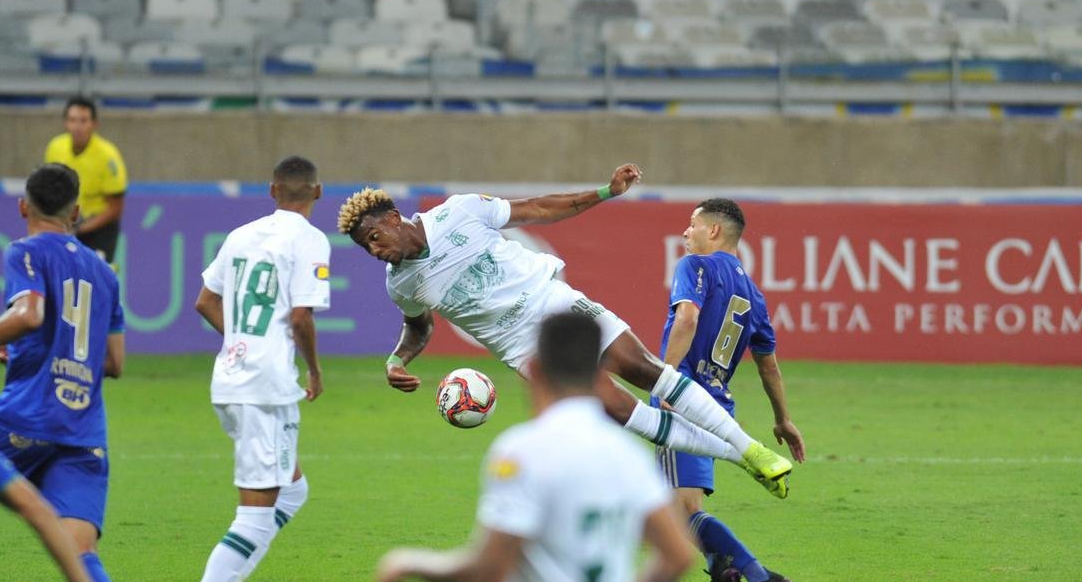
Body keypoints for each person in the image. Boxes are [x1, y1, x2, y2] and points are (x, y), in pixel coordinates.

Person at [336, 164, 794, 499]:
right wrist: (398, 359)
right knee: (622, 411)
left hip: (554, 303)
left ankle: (748, 448)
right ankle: (746, 456)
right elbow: (418, 328)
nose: (374, 251)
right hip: (527, 349)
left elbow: (538, 208)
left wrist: (604, 191)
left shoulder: (459, 213)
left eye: (374, 237)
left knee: (645, 369)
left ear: (393, 219)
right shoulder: (402, 284)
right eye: (365, 247)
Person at [376, 312, 694, 582]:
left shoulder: (522, 452)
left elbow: (487, 573)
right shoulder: (629, 454)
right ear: (600, 375)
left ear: (535, 370)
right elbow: (679, 554)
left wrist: (412, 563)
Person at [186, 156, 331, 582]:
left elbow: (205, 301)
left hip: (231, 379)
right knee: (253, 516)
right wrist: (314, 369)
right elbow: (301, 316)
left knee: (292, 489)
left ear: (272, 190)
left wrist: (243, 340)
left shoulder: (240, 235)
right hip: (265, 388)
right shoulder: (310, 239)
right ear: (318, 192)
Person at [0, 162, 125, 582]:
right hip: (83, 433)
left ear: (24, 205)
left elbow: (29, 314)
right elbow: (114, 362)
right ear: (77, 211)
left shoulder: (24, 251)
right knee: (82, 552)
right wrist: (34, 350)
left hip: (23, 420)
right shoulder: (104, 272)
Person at [657, 198, 806, 582]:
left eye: (692, 224)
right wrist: (784, 420)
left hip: (683, 398)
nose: (686, 232)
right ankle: (725, 577)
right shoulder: (754, 294)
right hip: (718, 409)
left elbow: (687, 318)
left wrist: (667, 381)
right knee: (687, 507)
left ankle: (763, 578)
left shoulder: (696, 267)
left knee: (675, 516)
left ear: (714, 231)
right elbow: (768, 366)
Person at [0, 435, 115, 582]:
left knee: (81, 547)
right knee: (81, 548)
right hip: (80, 430)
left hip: (29, 427)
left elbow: (36, 510)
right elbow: (37, 510)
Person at [44, 96, 128, 264]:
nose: (78, 127)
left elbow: (115, 208)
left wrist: (81, 228)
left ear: (94, 124)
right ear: (65, 123)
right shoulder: (55, 148)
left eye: (83, 121)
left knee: (96, 279)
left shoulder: (108, 156)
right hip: (66, 226)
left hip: (99, 231)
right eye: (73, 120)